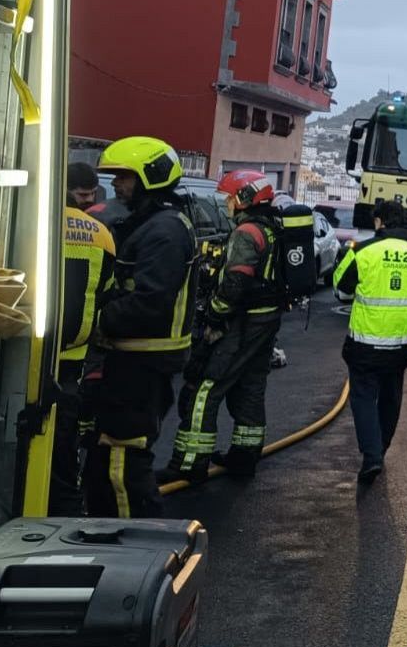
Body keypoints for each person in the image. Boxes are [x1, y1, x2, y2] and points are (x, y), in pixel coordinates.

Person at [82, 137, 197, 518]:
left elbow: (149, 302)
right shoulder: (153, 223)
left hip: (139, 362)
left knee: (122, 461)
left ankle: (133, 546)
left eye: (125, 177)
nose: (116, 184)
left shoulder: (163, 231)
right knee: (109, 456)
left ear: (151, 177)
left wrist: (94, 322)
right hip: (136, 359)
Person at [158, 170, 285, 484]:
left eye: (230, 197)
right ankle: (244, 458)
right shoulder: (272, 228)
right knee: (250, 388)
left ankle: (189, 463)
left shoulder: (246, 233)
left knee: (206, 388)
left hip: (242, 322)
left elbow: (235, 282)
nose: (226, 203)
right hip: (266, 320)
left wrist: (215, 317)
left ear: (244, 198)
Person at [333, 199, 407, 482]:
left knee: (363, 396)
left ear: (379, 221)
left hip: (365, 342)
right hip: (401, 345)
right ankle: (383, 446)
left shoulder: (363, 250)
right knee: (391, 396)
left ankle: (372, 454)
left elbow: (341, 287)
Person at [49, 172, 116, 516]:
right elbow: (106, 291)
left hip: (33, 348)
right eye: (83, 194)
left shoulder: (40, 220)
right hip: (76, 352)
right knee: (64, 435)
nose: (89, 200)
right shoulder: (102, 234)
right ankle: (66, 506)